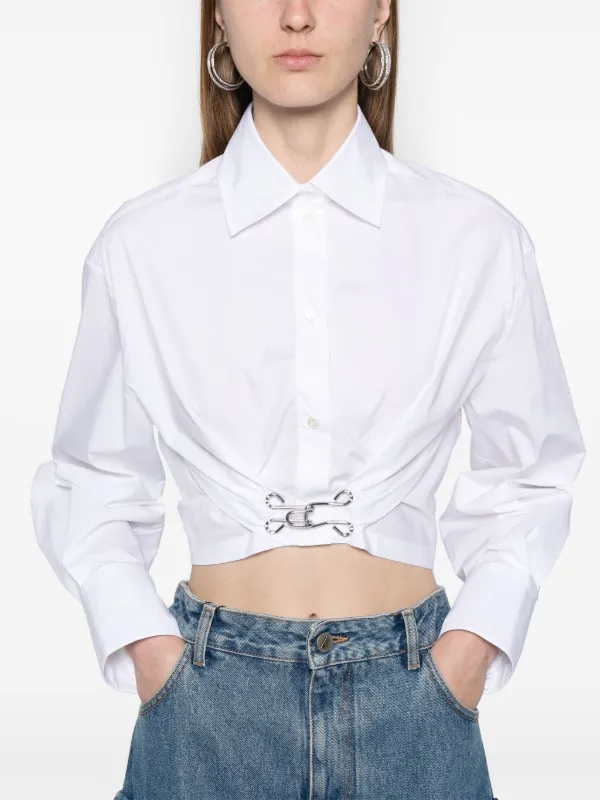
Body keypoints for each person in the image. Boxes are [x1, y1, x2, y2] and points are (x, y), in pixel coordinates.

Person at [30, 1, 585, 798]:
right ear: (220, 18)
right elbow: (92, 477)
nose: (296, 15)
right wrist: (150, 651)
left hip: (415, 703)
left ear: (382, 11)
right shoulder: (142, 244)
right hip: (206, 707)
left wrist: (470, 648)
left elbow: (530, 472)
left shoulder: (475, 237)